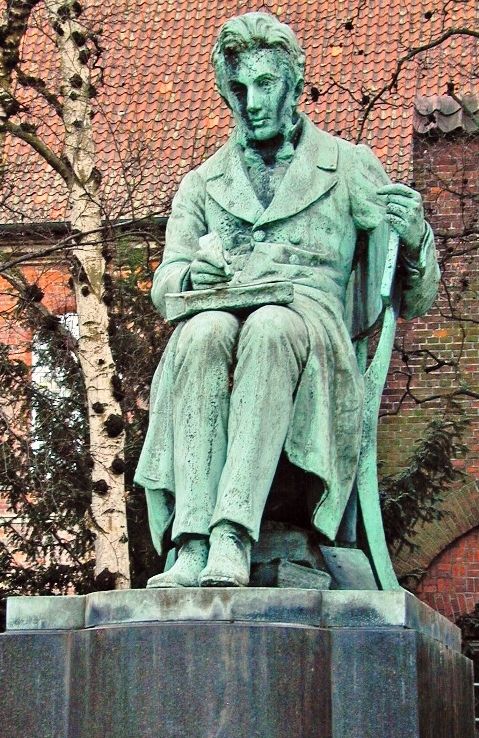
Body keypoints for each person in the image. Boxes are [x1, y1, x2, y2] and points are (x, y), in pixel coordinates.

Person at [134, 12, 439, 588]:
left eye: (265, 84)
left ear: (294, 84)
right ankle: (192, 542)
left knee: (271, 325)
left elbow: (415, 297)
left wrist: (416, 236)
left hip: (314, 344)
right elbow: (165, 282)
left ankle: (232, 535)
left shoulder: (347, 166)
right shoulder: (203, 182)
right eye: (238, 88)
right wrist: (193, 275)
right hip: (221, 321)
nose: (251, 102)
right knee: (201, 332)